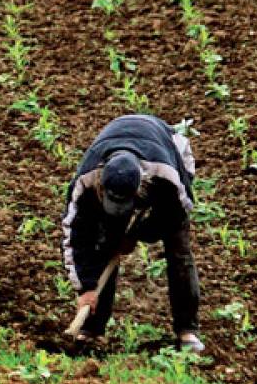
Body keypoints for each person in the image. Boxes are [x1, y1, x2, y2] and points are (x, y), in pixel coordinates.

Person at [62, 114, 204, 352]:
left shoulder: (166, 177)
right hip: (121, 144)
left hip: (171, 154)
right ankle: (92, 328)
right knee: (105, 245)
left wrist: (139, 233)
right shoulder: (86, 182)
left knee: (178, 250)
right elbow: (76, 238)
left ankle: (187, 329)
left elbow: (176, 213)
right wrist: (86, 288)